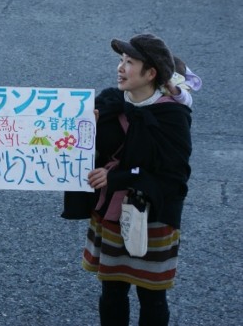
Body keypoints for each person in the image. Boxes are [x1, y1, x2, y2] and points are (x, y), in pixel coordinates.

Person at [80, 34, 192, 326]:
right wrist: (85, 128)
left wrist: (117, 177)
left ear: (151, 73)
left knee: (151, 294)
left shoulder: (171, 116)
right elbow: (82, 150)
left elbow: (175, 177)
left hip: (154, 215)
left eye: (130, 62)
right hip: (112, 212)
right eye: (121, 60)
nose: (121, 67)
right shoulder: (109, 102)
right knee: (112, 290)